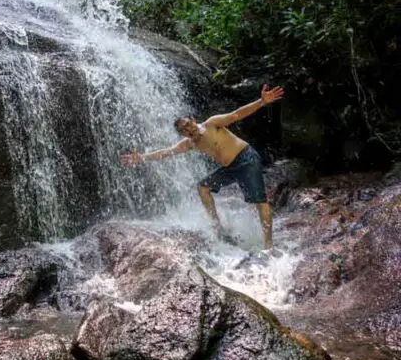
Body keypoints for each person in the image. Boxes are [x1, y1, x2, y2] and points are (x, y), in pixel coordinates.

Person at [120, 84, 285, 250]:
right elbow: (167, 152)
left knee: (260, 202)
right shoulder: (190, 143)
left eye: (188, 124)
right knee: (203, 187)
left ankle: (268, 246)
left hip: (246, 158)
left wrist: (261, 102)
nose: (188, 129)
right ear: (182, 134)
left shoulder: (211, 123)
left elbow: (237, 114)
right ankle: (217, 227)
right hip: (230, 168)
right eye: (183, 130)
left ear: (193, 120)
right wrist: (141, 158)